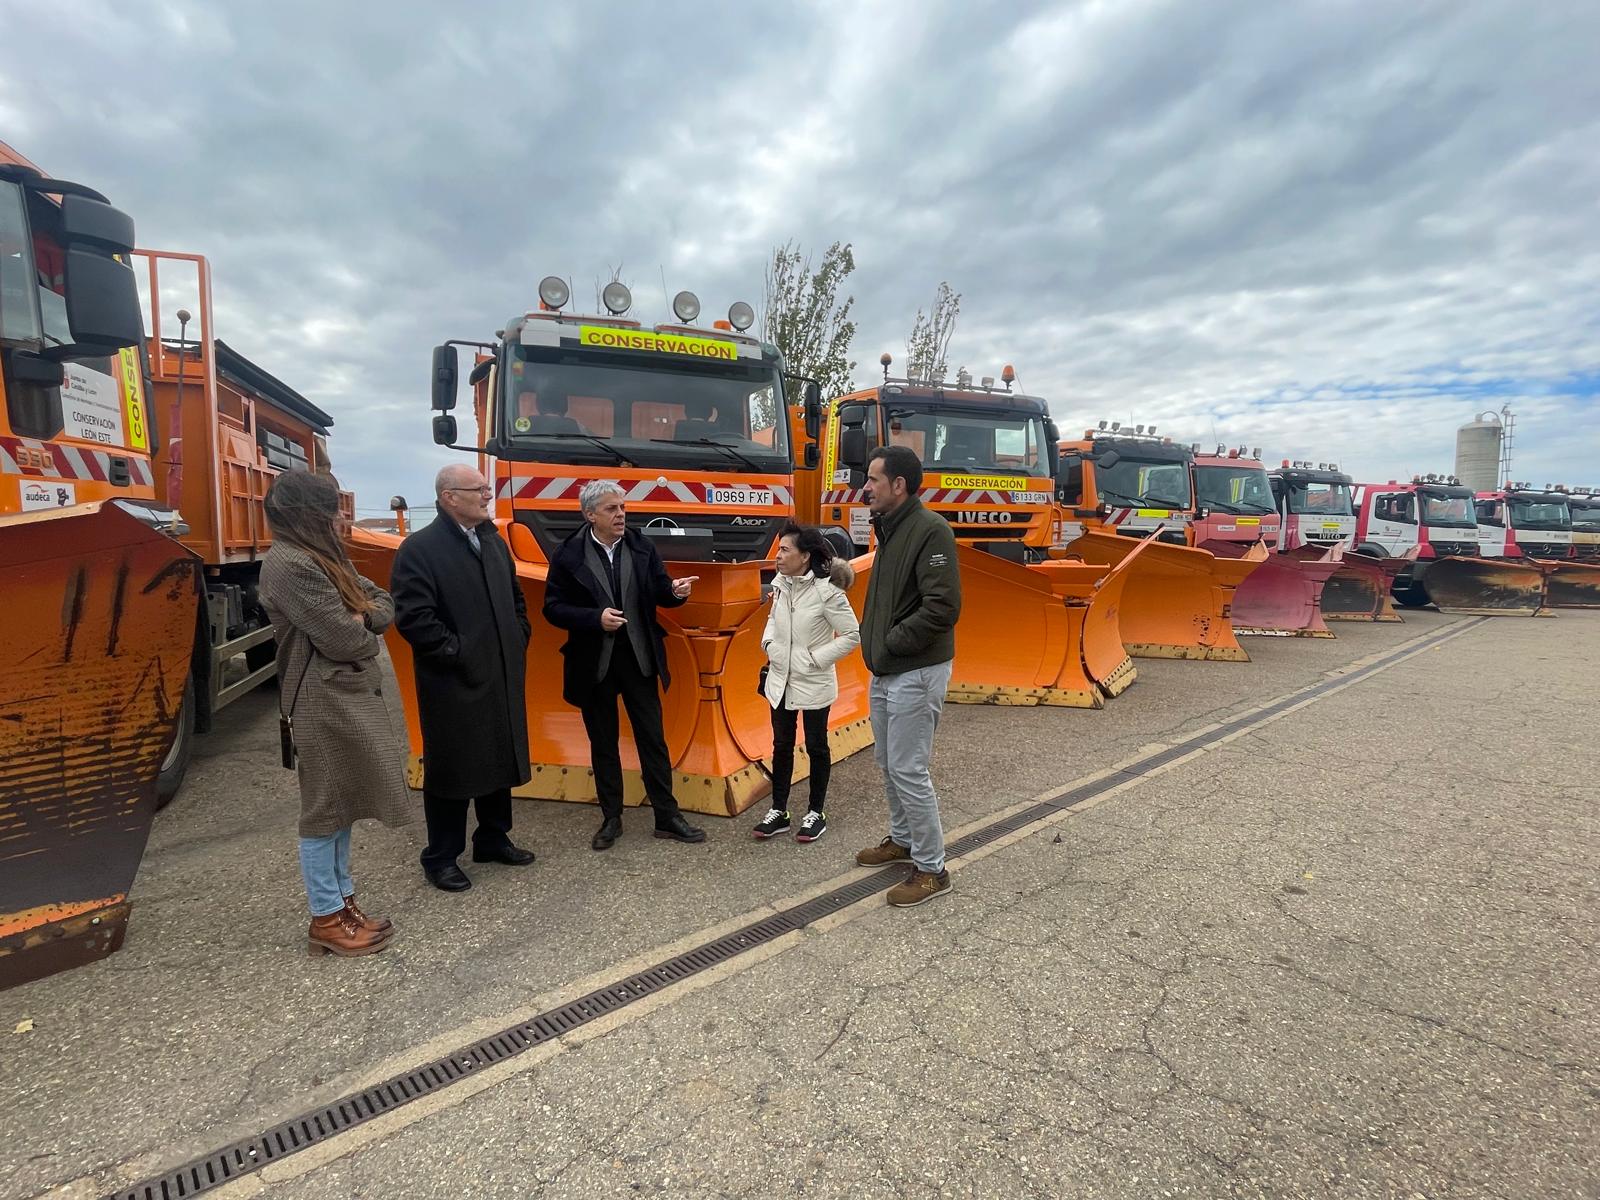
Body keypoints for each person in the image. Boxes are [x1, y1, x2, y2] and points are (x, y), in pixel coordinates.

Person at [258, 470, 411, 956]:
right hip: (321, 701)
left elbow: (385, 603)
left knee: (343, 807)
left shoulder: (324, 555)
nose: (341, 515)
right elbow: (345, 640)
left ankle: (346, 905)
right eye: (331, 507)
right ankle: (326, 916)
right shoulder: (289, 564)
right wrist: (363, 623)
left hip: (343, 697)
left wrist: (363, 614)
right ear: (308, 512)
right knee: (325, 811)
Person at [391, 463, 535, 892]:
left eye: (486, 489)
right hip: (452, 681)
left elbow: (515, 600)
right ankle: (440, 856)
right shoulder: (420, 549)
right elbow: (415, 620)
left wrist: (518, 637)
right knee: (453, 770)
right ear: (450, 496)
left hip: (500, 672)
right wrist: (459, 653)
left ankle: (492, 838)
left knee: (498, 756)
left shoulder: (492, 542)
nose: (487, 495)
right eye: (479, 489)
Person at [543, 479, 708, 850]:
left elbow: (660, 591)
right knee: (603, 742)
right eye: (611, 509)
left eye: (622, 507)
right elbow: (552, 608)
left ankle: (666, 816)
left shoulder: (640, 545)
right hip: (594, 664)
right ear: (590, 515)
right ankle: (611, 817)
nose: (621, 515)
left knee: (653, 739)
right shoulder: (568, 553)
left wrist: (676, 593)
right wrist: (593, 618)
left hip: (639, 658)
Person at [854, 444, 962, 906]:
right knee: (887, 762)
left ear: (898, 485)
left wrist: (894, 641)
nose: (867, 488)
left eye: (874, 480)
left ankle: (933, 869)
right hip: (887, 668)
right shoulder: (890, 528)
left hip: (915, 670)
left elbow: (943, 607)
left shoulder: (929, 530)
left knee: (909, 768)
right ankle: (902, 839)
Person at [752, 522, 859, 844]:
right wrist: (769, 644)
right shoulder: (781, 584)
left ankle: (816, 812)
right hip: (780, 679)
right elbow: (772, 620)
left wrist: (815, 660)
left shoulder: (828, 592)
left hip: (813, 681)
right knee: (781, 745)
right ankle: (779, 810)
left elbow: (853, 635)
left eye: (785, 550)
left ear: (805, 556)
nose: (778, 556)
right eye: (779, 549)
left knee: (816, 746)